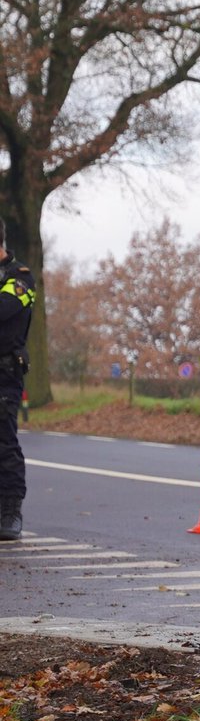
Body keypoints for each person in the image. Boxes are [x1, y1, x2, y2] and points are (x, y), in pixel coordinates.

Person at [0, 227, 35, 541]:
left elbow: (4, 310)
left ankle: (11, 512)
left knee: (3, 442)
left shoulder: (20, 277)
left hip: (4, 375)